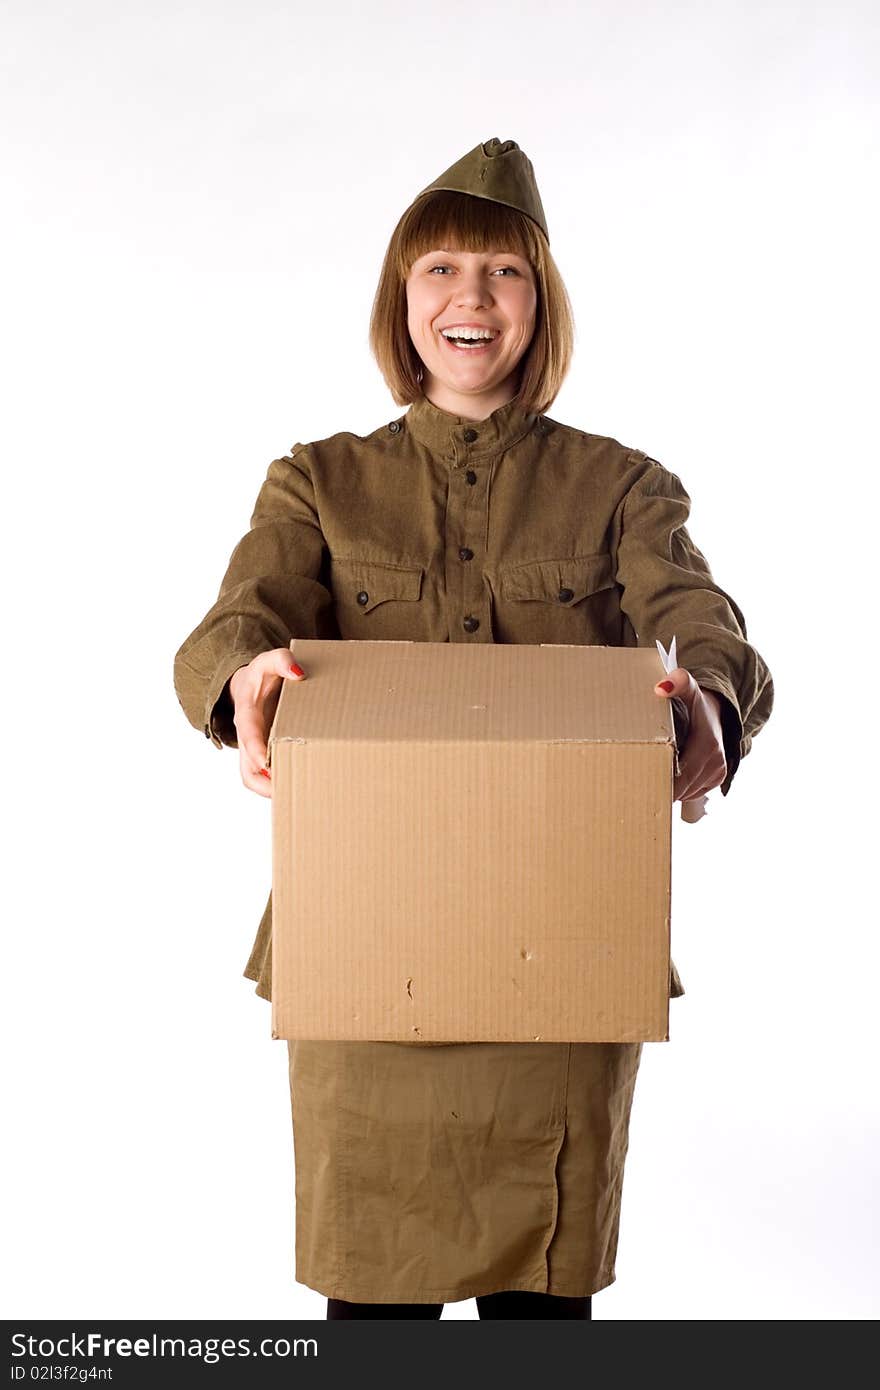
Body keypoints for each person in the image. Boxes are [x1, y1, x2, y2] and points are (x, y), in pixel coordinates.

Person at [173, 137, 774, 1320]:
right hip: (365, 941)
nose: (470, 298)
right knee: (372, 1307)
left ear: (539, 302)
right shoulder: (316, 481)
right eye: (440, 268)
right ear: (402, 300)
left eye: (502, 273)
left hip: (562, 941)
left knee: (538, 1318)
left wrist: (709, 700)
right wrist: (244, 682)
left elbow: (699, 619)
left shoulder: (620, 485)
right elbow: (235, 621)